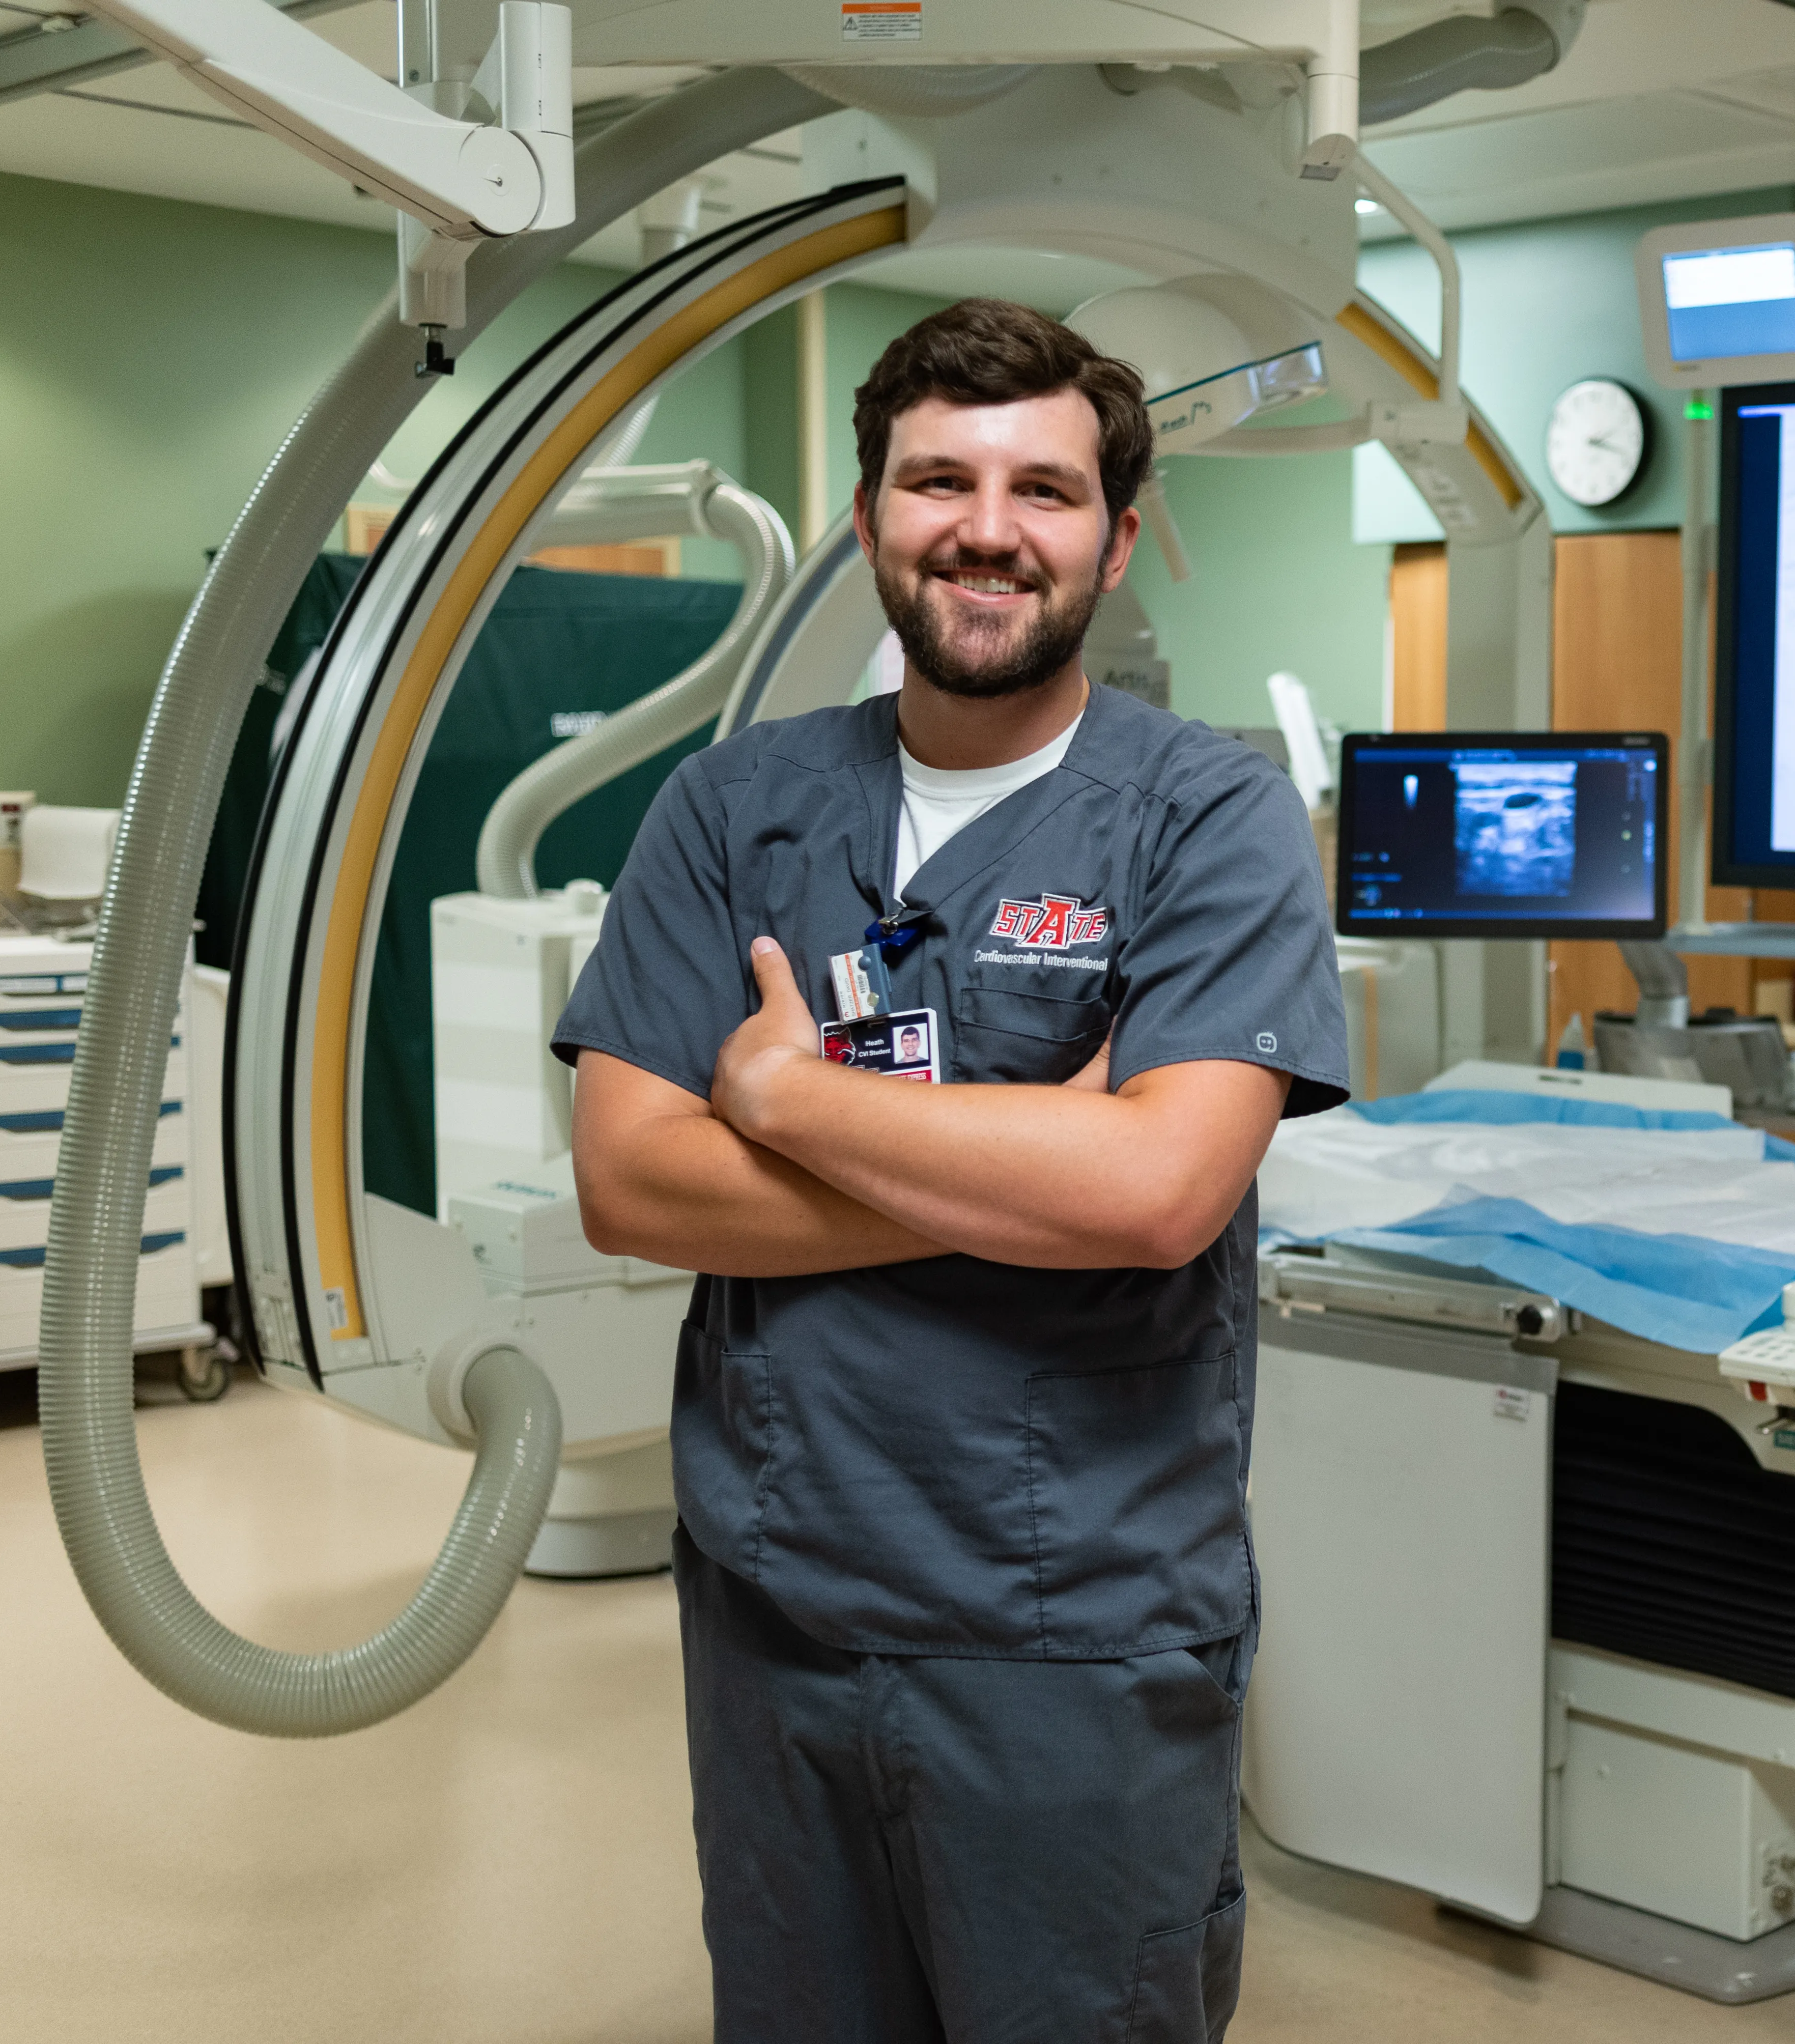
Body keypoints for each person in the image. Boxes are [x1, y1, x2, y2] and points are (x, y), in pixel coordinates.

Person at [554, 297, 1349, 2043]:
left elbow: (1156, 1197)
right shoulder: (733, 809)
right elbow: (630, 1186)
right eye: (941, 480)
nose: (990, 527)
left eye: (1046, 491)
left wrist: (782, 1097)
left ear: (1117, 538)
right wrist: (1024, 1153)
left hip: (1072, 1634)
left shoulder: (1210, 819)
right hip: (778, 1601)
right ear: (869, 520)